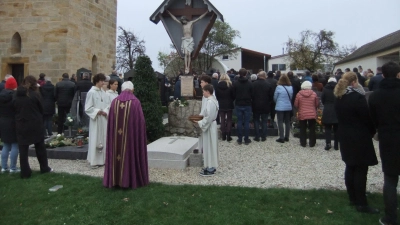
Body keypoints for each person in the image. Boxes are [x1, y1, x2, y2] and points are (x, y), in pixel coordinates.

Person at [334, 72, 379, 214]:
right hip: (359, 136)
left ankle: (353, 197)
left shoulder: (339, 97)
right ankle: (361, 203)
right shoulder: (357, 98)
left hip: (345, 135)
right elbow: (367, 118)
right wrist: (372, 131)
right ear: (354, 82)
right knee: (360, 169)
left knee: (350, 166)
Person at [368, 62, 400, 225]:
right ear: (398, 74)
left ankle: (391, 217)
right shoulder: (376, 95)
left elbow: (373, 119)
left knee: (390, 178)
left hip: (388, 138)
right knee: (390, 178)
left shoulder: (375, 96)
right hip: (389, 134)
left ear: (383, 75)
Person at [103, 81, 149, 189]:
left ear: (122, 89)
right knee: (129, 154)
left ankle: (115, 180)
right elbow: (140, 123)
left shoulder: (114, 102)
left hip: (116, 140)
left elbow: (110, 122)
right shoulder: (135, 102)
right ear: (132, 90)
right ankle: (129, 179)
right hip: (130, 139)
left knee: (117, 153)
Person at [14, 75, 52, 178]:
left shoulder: (16, 95)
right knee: (40, 147)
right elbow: (41, 108)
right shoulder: (35, 95)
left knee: (23, 149)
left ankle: (25, 172)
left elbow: (14, 109)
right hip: (35, 123)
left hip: (21, 123)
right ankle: (44, 168)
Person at [166, 10, 208, 74]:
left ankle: (188, 66)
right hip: (185, 39)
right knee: (186, 54)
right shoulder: (182, 25)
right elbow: (175, 19)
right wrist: (169, 13)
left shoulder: (191, 23)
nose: (183, 22)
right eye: (182, 21)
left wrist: (206, 12)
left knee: (189, 54)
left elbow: (199, 18)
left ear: (186, 19)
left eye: (184, 20)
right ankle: (186, 67)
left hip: (190, 40)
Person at [85, 73, 110, 167]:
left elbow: (108, 105)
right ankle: (94, 160)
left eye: (103, 81)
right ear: (96, 81)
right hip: (96, 119)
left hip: (104, 118)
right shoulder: (91, 92)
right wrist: (98, 111)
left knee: (104, 137)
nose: (103, 83)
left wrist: (106, 111)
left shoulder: (103, 92)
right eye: (101, 81)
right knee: (96, 137)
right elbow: (88, 108)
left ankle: (104, 159)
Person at [194, 84, 219, 176]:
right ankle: (209, 165)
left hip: (210, 126)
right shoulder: (212, 100)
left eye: (203, 91)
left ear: (208, 91)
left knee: (210, 146)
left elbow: (209, 117)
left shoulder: (210, 102)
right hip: (210, 125)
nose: (203, 93)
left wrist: (200, 122)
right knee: (208, 146)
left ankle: (211, 167)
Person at [0, 77, 19, 173]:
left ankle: (3, 167)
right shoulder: (15, 96)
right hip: (13, 121)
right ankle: (13, 167)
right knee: (15, 145)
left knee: (6, 145)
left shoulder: (1, 95)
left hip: (2, 121)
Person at [294, 81, 319, 147]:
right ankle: (312, 143)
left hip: (302, 113)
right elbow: (317, 104)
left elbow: (296, 104)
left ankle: (303, 142)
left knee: (303, 128)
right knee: (312, 128)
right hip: (312, 113)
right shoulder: (314, 94)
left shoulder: (299, 94)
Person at [232, 68, 253, 145]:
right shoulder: (250, 83)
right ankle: (246, 139)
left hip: (238, 103)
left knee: (239, 121)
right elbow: (252, 94)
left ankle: (240, 139)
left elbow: (233, 94)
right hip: (247, 103)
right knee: (247, 122)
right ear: (246, 74)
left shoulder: (235, 83)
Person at [251, 71, 273, 142]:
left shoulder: (253, 84)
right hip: (265, 105)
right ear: (265, 76)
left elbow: (251, 95)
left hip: (256, 104)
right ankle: (264, 136)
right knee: (264, 121)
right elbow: (271, 96)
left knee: (256, 120)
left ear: (258, 76)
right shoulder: (268, 85)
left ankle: (257, 136)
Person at [274, 74, 293, 143]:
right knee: (287, 121)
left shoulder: (278, 87)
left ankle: (281, 137)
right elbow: (291, 97)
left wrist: (277, 102)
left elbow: (275, 97)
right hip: (288, 106)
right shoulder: (290, 87)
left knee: (280, 121)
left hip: (280, 106)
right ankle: (287, 136)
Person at [321, 77, 339, 150]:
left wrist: (326, 104)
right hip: (336, 109)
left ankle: (328, 143)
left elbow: (322, 99)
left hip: (327, 109)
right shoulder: (338, 89)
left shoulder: (325, 89)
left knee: (327, 128)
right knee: (336, 128)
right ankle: (336, 145)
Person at [215, 73, 234, 142]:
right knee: (229, 119)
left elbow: (216, 96)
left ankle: (223, 135)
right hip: (229, 103)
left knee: (222, 119)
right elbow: (233, 95)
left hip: (221, 104)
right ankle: (228, 135)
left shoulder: (217, 86)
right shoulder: (230, 86)